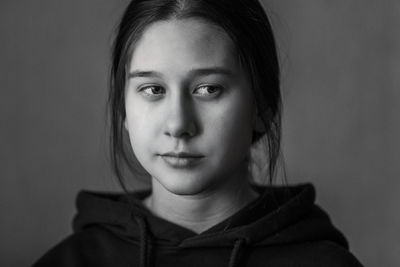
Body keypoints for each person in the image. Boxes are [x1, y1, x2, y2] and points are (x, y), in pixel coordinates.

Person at [34, 0, 363, 266]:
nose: (178, 125)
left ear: (262, 107)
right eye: (152, 89)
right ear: (123, 109)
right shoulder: (73, 260)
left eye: (208, 89)